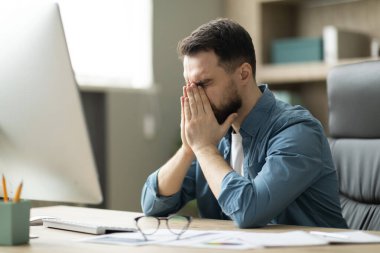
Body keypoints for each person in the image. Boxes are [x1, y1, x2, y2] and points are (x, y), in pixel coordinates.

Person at [141, 18, 347, 229]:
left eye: (203, 83)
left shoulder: (298, 131)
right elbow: (152, 204)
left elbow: (250, 210)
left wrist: (203, 148)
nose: (194, 96)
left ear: (244, 74)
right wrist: (188, 148)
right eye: (189, 85)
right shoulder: (214, 133)